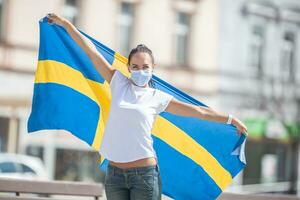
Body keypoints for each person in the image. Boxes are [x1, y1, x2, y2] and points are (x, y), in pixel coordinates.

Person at [46, 13, 248, 200]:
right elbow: (91, 51)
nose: (140, 71)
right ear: (128, 68)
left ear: (153, 69)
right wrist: (66, 24)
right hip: (114, 174)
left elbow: (199, 112)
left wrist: (230, 119)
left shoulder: (157, 97)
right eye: (135, 67)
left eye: (145, 67)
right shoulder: (118, 82)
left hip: (144, 175)